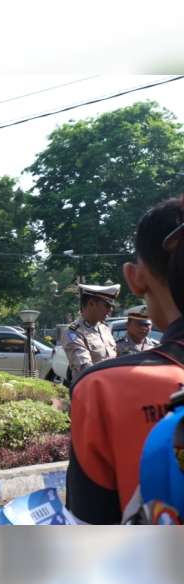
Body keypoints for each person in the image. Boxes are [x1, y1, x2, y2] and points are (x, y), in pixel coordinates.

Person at [67, 195, 184, 524]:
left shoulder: (106, 387)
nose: (108, 310)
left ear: (136, 277)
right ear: (90, 304)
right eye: (103, 305)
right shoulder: (77, 336)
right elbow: (83, 367)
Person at [62, 283, 120, 382]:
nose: (110, 310)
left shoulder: (105, 328)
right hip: (89, 390)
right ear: (91, 303)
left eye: (111, 306)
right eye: (107, 305)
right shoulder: (73, 332)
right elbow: (85, 367)